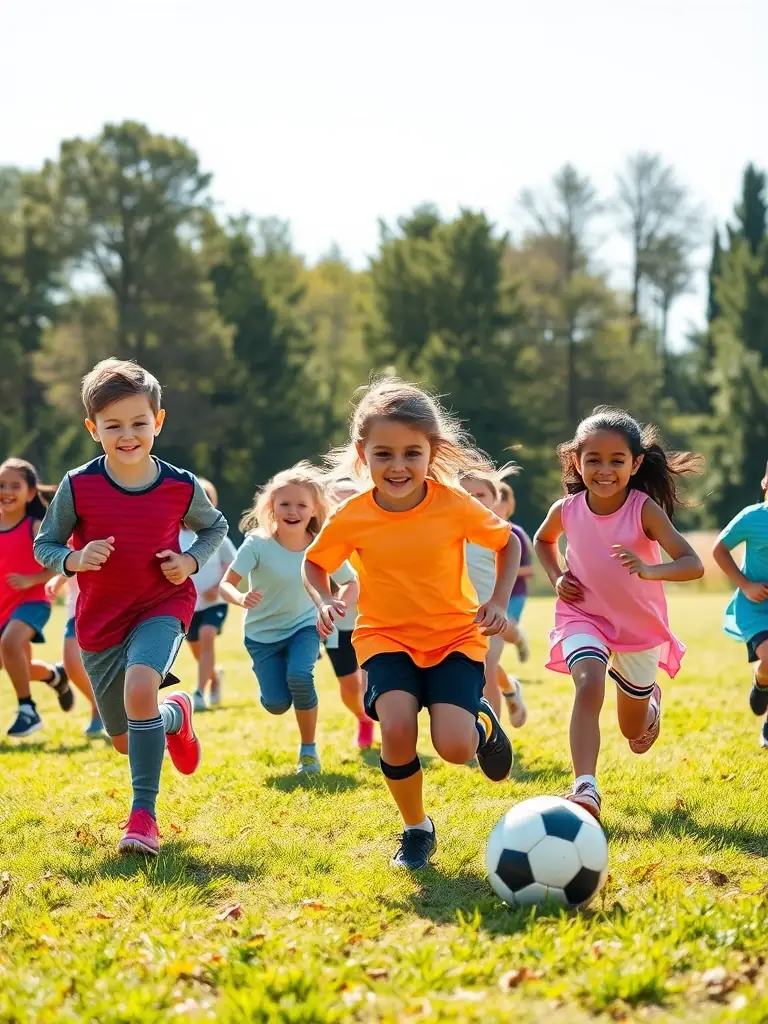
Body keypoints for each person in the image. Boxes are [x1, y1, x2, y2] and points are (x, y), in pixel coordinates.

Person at [303, 377, 520, 870]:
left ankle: (481, 723)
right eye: (383, 454)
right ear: (363, 455)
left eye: (410, 453)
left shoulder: (453, 504)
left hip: (454, 637)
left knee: (454, 747)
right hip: (386, 637)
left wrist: (501, 601)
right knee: (397, 728)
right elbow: (315, 562)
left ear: (432, 451)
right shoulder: (352, 515)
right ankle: (416, 829)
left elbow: (508, 542)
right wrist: (321, 599)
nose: (397, 466)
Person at [34, 358, 228, 855]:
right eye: (113, 425)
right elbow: (46, 545)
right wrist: (74, 557)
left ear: (158, 422)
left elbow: (215, 528)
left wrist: (189, 561)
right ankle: (175, 716)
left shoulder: (180, 485)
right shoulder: (78, 485)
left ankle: (143, 817)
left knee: (141, 685)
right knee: (125, 738)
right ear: (93, 429)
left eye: (139, 423)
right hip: (99, 622)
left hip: (162, 604)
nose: (127, 435)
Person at [534, 406, 703, 821]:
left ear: (636, 464)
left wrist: (650, 569)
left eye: (616, 461)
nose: (604, 470)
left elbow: (692, 563)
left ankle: (649, 705)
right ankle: (585, 788)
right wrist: (557, 578)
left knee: (634, 733)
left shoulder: (643, 509)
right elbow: (542, 541)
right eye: (593, 459)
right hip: (583, 616)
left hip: (637, 630)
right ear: (577, 461)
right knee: (589, 683)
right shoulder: (567, 509)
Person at [220, 462, 357, 774]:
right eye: (284, 504)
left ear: (313, 510)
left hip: (305, 627)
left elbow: (351, 582)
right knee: (276, 704)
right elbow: (226, 583)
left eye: (301, 505)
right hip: (261, 636)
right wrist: (241, 597)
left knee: (300, 676)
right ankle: (274, 683)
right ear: (271, 507)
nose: (292, 511)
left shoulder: (320, 546)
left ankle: (308, 751)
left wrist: (338, 603)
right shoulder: (257, 544)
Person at [0, 458, 73, 737]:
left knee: (9, 644)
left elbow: (61, 561)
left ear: (30, 493)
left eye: (15, 486)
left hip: (33, 601)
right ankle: (56, 676)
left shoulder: (35, 526)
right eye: (1, 485)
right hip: (3, 604)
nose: (6, 491)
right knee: (17, 665)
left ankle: (27, 709)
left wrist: (32, 579)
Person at [460, 471, 527, 728]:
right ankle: (510, 689)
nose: (474, 500)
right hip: (455, 618)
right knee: (473, 670)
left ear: (495, 499)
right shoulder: (446, 533)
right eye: (466, 494)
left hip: (490, 616)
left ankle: (492, 740)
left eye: (480, 495)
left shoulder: (498, 535)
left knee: (487, 668)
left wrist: (498, 606)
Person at [712, 461, 768, 748]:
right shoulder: (752, 518)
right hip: (755, 607)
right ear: (765, 483)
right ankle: (761, 681)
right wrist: (745, 585)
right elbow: (719, 549)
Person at [324, 478, 375, 749]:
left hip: (373, 622)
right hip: (336, 627)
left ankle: (383, 724)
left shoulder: (378, 533)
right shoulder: (323, 540)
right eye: (338, 499)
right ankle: (362, 719)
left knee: (370, 684)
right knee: (348, 687)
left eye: (351, 498)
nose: (345, 505)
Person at [179, 477, 236, 712]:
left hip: (215, 601)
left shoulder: (217, 535)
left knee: (206, 635)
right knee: (196, 646)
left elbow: (233, 564)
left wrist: (218, 587)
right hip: (187, 605)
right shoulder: (174, 535)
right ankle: (214, 676)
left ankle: (200, 692)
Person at [45, 573, 104, 737]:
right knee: (71, 662)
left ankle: (139, 714)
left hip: (113, 607)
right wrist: (60, 577)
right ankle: (100, 706)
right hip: (78, 609)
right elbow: (69, 556)